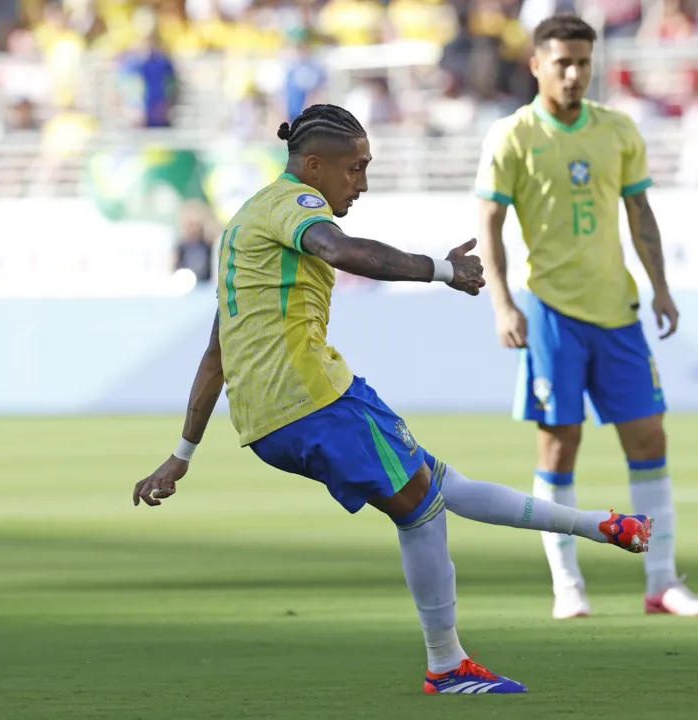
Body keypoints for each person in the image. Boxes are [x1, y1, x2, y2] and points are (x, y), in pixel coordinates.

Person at [131, 104, 653, 695]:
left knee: (441, 485)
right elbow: (340, 250)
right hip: (313, 404)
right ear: (313, 165)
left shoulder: (244, 225)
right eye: (354, 169)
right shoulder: (294, 206)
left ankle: (600, 526)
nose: (363, 182)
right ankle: (447, 665)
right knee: (423, 508)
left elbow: (216, 351)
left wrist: (183, 452)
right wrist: (442, 270)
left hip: (284, 415)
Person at [475, 14, 698, 620]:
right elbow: (489, 225)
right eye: (562, 62)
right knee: (560, 446)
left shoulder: (617, 130)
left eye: (583, 62)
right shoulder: (512, 136)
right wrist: (503, 301)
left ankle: (661, 581)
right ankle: (568, 585)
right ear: (536, 65)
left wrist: (661, 287)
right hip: (553, 312)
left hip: (619, 311)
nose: (575, 73)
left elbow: (640, 213)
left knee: (650, 436)